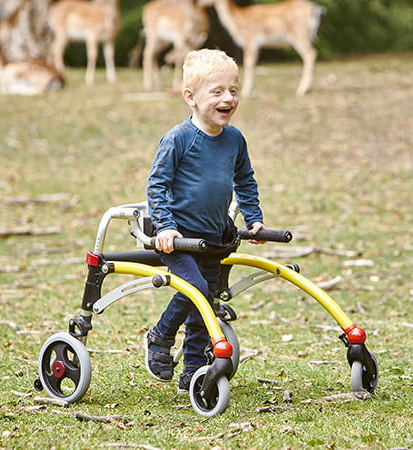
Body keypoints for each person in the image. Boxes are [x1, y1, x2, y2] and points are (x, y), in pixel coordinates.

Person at [145, 48, 265, 392]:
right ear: (190, 97)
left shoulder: (234, 140)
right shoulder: (178, 138)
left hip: (213, 237)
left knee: (205, 308)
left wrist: (254, 218)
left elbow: (245, 180)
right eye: (217, 92)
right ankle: (160, 336)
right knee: (195, 289)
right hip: (178, 237)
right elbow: (157, 184)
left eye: (233, 90)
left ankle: (194, 373)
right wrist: (165, 226)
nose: (228, 98)